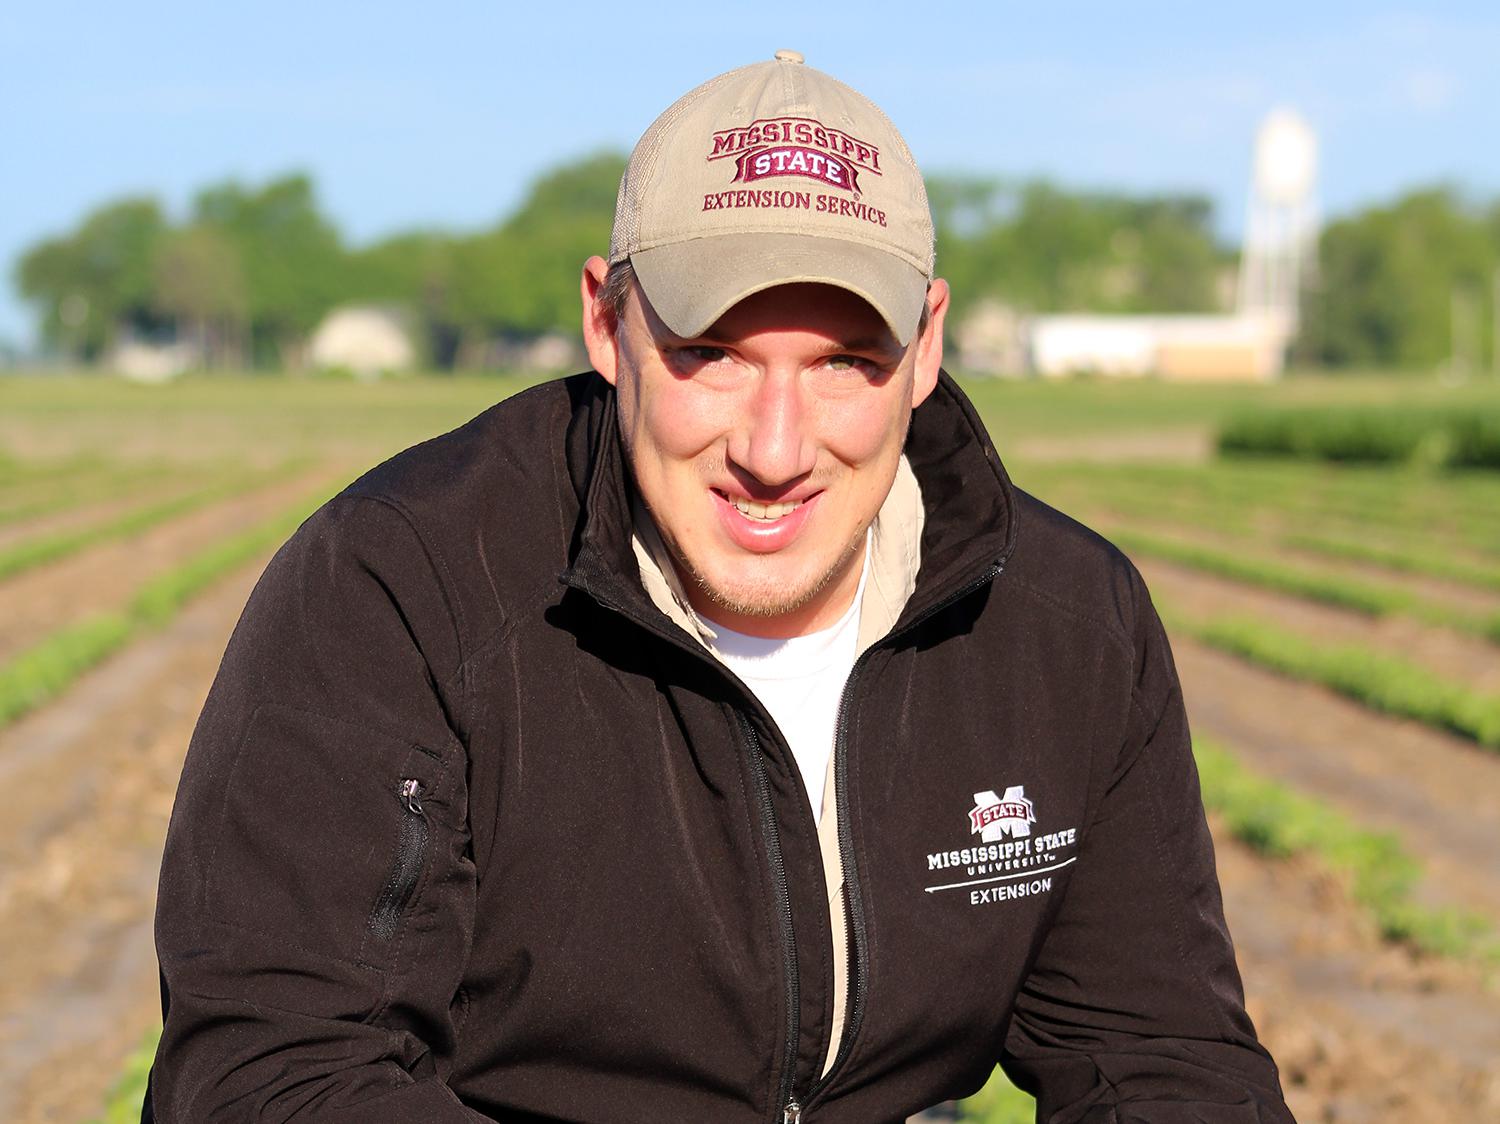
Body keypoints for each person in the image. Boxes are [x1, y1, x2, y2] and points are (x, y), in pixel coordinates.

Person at [146, 51, 1292, 1123]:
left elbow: (1160, 1053)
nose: (777, 447)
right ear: (608, 320)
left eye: (845, 361)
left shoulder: (1062, 627)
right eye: (713, 352)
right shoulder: (403, 584)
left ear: (928, 346)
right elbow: (275, 1064)